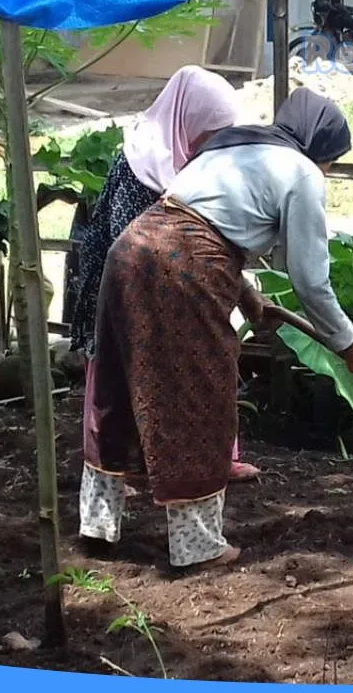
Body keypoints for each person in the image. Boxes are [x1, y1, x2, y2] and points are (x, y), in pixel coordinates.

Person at [80, 88, 353, 570]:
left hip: (130, 249)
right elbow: (309, 279)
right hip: (185, 267)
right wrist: (351, 345)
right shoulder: (301, 172)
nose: (327, 171)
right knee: (199, 396)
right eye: (331, 161)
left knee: (115, 386)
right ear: (318, 148)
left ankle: (97, 524)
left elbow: (198, 217)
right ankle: (196, 547)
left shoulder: (232, 146)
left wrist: (245, 291)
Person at [66, 67, 262, 485]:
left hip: (180, 286)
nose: (216, 144)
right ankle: (116, 477)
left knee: (207, 368)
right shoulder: (139, 163)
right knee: (116, 393)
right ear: (186, 121)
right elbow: (130, 246)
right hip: (121, 292)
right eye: (211, 133)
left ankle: (215, 459)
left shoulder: (197, 166)